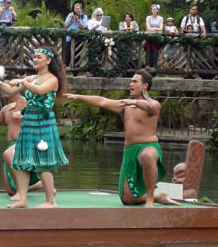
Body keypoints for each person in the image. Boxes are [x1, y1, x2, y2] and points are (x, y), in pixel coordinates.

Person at [66, 71, 180, 208]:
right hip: (130, 151)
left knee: (147, 156)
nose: (130, 84)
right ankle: (159, 197)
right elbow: (102, 101)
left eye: (135, 81)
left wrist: (134, 101)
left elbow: (151, 107)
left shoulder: (153, 104)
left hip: (149, 146)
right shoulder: (126, 105)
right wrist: (78, 96)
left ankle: (150, 200)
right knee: (127, 199)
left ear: (145, 85)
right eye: (131, 81)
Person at [0, 47, 68, 209]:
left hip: (43, 122)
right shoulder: (32, 77)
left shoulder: (52, 79)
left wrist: (23, 82)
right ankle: (23, 199)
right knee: (21, 159)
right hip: (29, 122)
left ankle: (50, 202)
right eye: (34, 57)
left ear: (48, 60)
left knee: (44, 161)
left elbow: (39, 91)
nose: (35, 59)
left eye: (39, 57)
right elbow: (12, 90)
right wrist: (0, 84)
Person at [144, 3, 164, 67]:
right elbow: (148, 28)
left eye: (155, 9)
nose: (154, 10)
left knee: (155, 53)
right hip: (149, 37)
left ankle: (154, 67)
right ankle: (148, 66)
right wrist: (156, 29)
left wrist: (153, 29)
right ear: (151, 10)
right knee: (149, 52)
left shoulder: (160, 18)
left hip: (157, 37)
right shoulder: (148, 17)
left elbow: (161, 28)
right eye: (153, 9)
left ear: (157, 10)